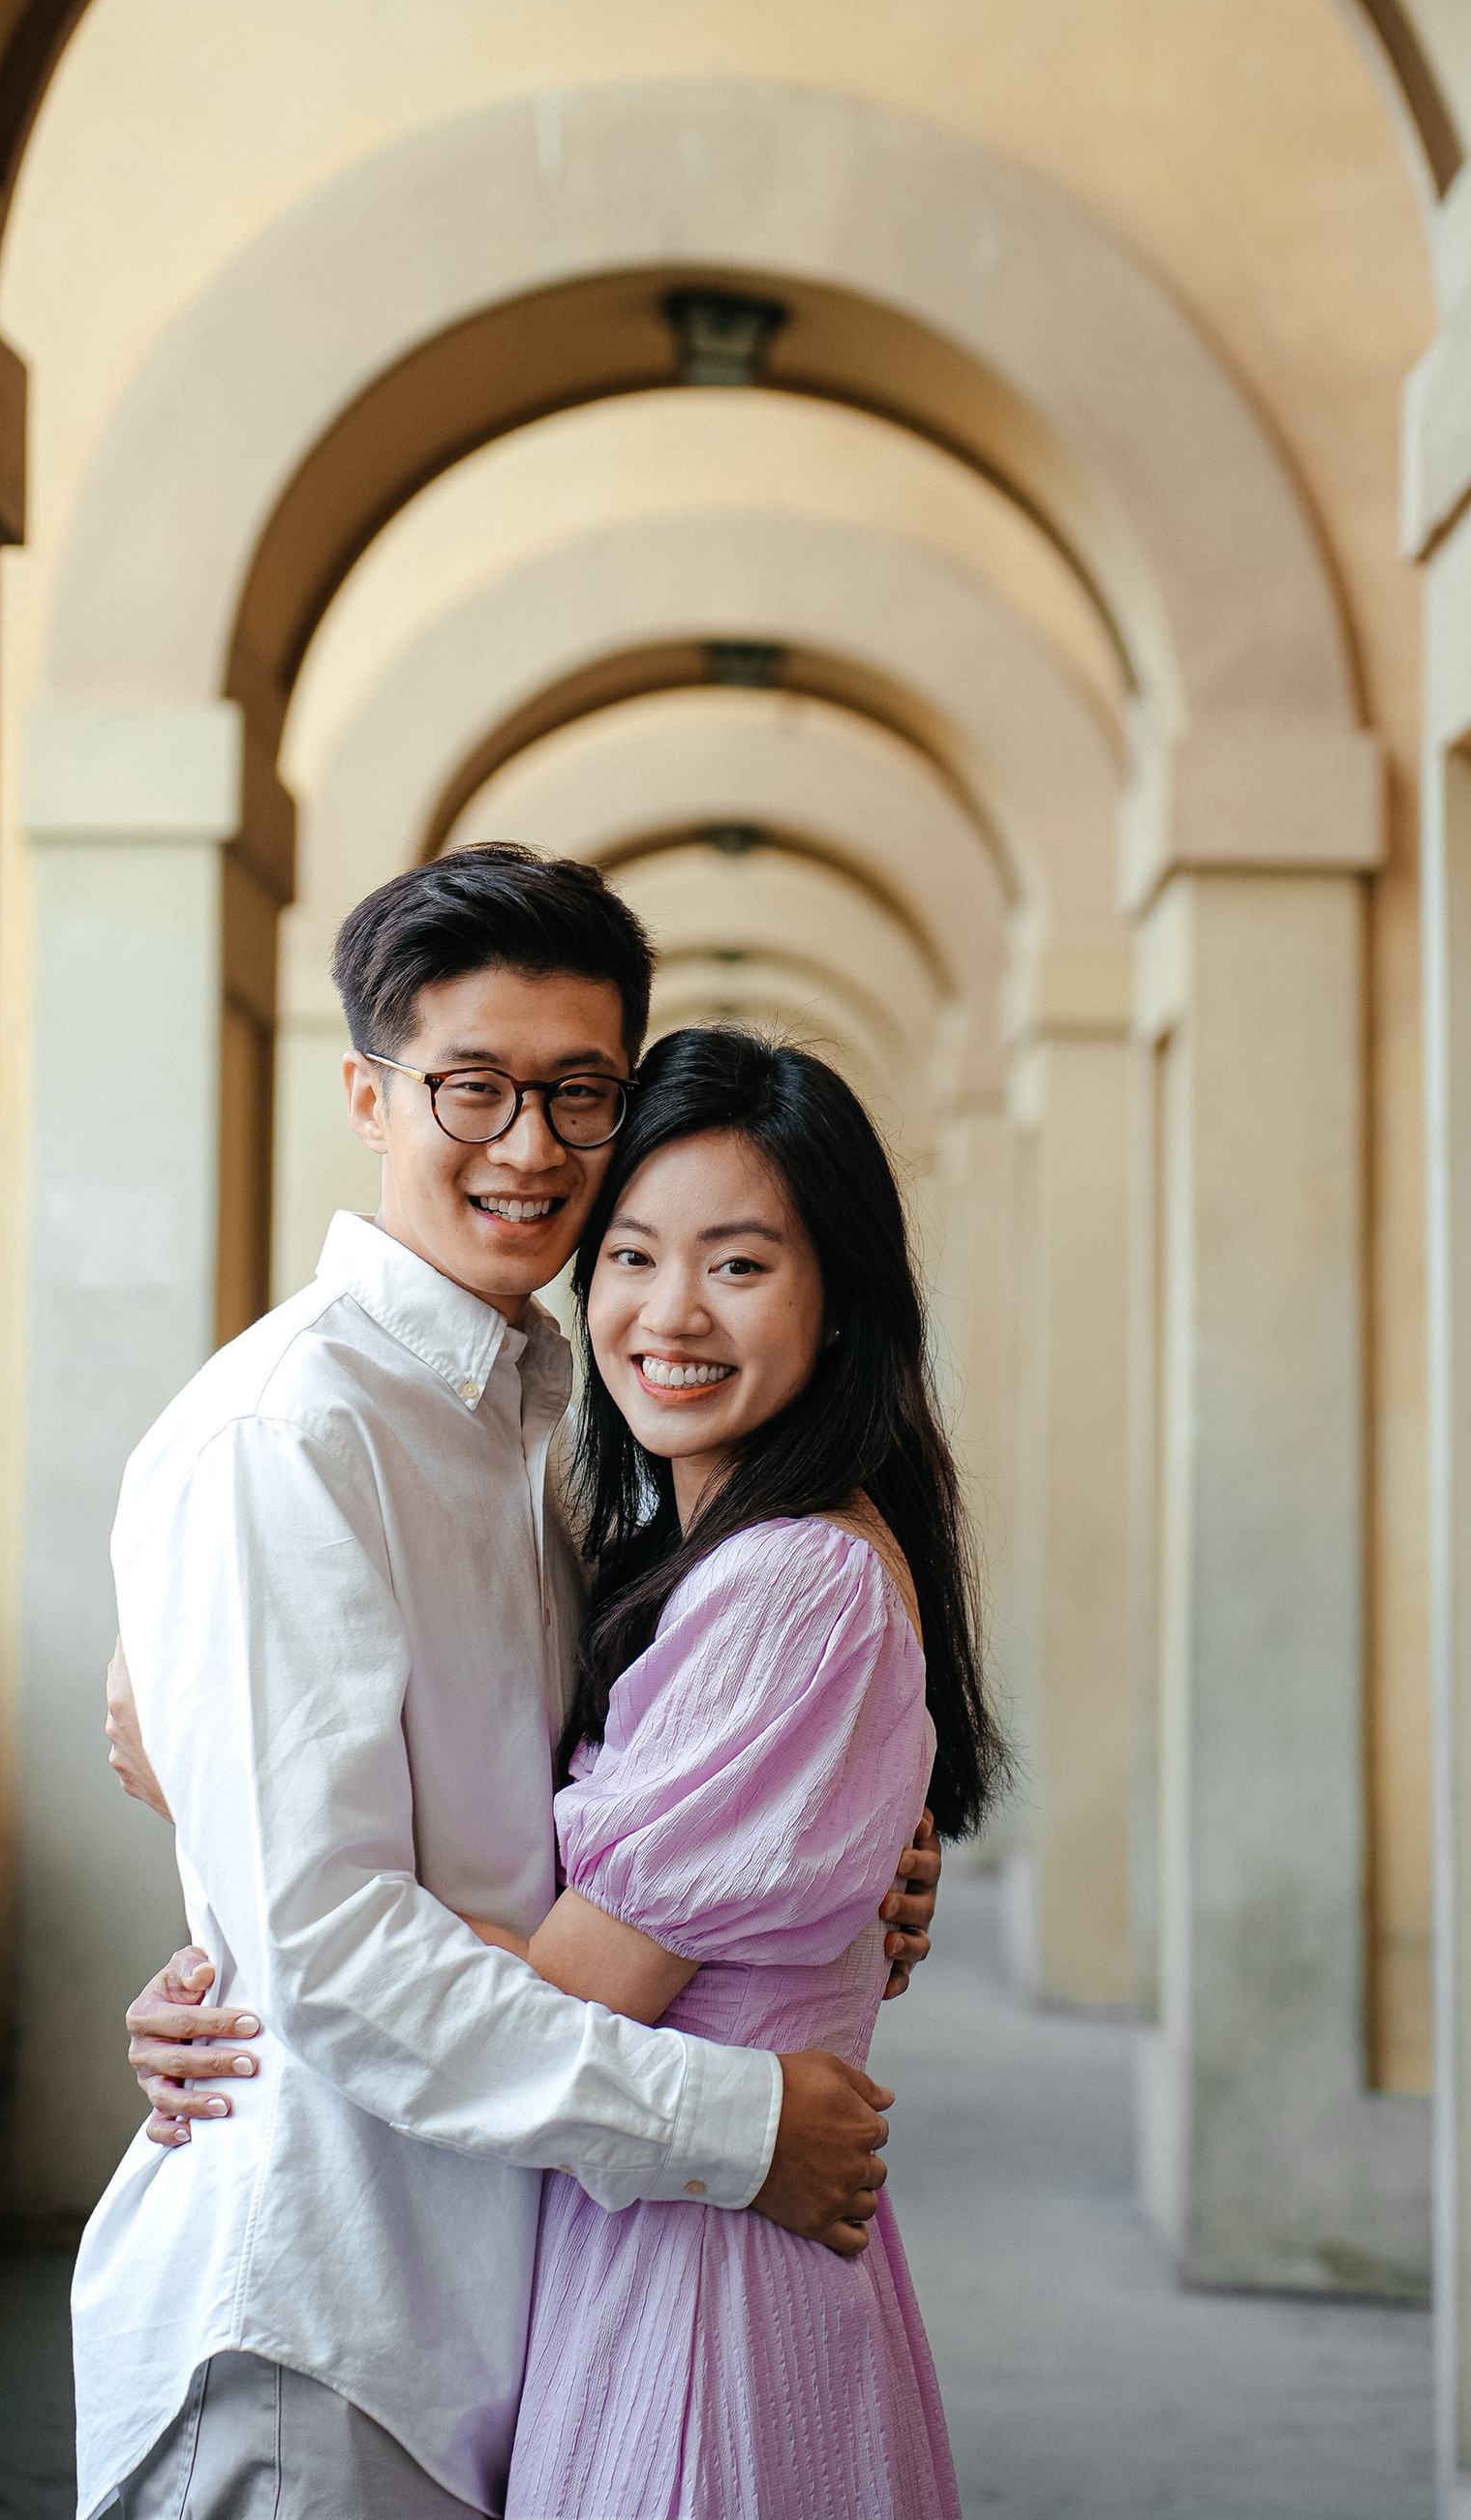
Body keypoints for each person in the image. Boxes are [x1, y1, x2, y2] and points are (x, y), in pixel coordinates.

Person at [74, 848, 939, 2520]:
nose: (530, 1145)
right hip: (328, 2312)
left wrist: (843, 1865)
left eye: (578, 1091)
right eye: (472, 1087)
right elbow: (331, 1947)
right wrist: (736, 2118)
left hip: (500, 2315)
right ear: (370, 1096)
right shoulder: (289, 1435)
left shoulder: (527, 1437)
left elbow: (482, 1838)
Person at [488, 1021, 1001, 2517]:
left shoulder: (792, 1584)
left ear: (841, 1303)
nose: (671, 1312)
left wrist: (270, 1950)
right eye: (633, 1255)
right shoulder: (699, 1553)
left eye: (739, 1263)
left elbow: (564, 2002)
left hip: (699, 2280)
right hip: (689, 2234)